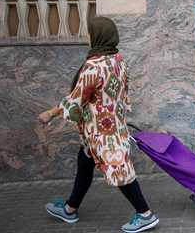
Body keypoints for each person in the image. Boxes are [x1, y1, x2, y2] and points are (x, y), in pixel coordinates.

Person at [37, 17, 159, 233]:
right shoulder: (118, 61)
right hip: (112, 125)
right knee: (84, 162)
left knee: (120, 171)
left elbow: (76, 100)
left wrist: (50, 113)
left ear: (99, 36)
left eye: (90, 33)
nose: (87, 36)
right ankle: (69, 209)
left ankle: (145, 215)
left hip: (102, 132)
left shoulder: (94, 66)